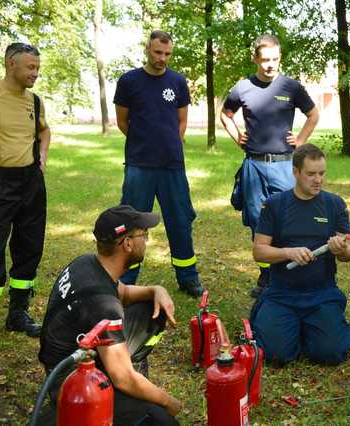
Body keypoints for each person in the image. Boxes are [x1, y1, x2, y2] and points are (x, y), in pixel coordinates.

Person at [38, 205, 181, 425]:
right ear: (127, 243)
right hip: (72, 383)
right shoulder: (103, 306)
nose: (147, 241)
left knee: (151, 309)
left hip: (73, 359)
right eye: (145, 235)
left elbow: (122, 293)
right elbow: (123, 378)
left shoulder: (87, 263)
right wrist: (168, 401)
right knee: (161, 420)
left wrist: (156, 290)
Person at [220, 34, 320, 298]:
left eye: (275, 59)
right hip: (253, 166)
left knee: (289, 219)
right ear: (255, 58)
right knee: (258, 222)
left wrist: (300, 140)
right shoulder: (242, 88)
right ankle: (266, 277)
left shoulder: (291, 87)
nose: (270, 65)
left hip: (284, 165)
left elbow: (313, 114)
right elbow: (225, 113)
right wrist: (235, 134)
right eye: (265, 60)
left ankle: (290, 272)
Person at [113, 30, 202, 297]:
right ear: (148, 50)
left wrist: (170, 144)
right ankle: (126, 278)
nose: (162, 58)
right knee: (133, 223)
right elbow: (122, 121)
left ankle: (188, 278)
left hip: (172, 166)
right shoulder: (129, 81)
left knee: (180, 221)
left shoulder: (177, 81)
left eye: (167, 54)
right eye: (157, 52)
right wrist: (144, 142)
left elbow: (181, 121)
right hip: (139, 166)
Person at [249, 144, 350, 366]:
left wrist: (342, 249)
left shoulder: (334, 204)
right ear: (295, 172)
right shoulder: (275, 205)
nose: (318, 180)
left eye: (322, 173)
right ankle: (291, 327)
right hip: (282, 292)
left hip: (322, 292)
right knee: (275, 355)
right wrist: (288, 252)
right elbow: (259, 251)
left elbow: (349, 253)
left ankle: (315, 329)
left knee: (331, 354)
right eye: (311, 174)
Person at [0, 43, 51, 343]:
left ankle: (18, 314)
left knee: (29, 247)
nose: (35, 73)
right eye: (30, 67)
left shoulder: (35, 101)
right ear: (10, 64)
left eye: (37, 67)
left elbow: (43, 131)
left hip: (31, 184)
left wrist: (42, 159)